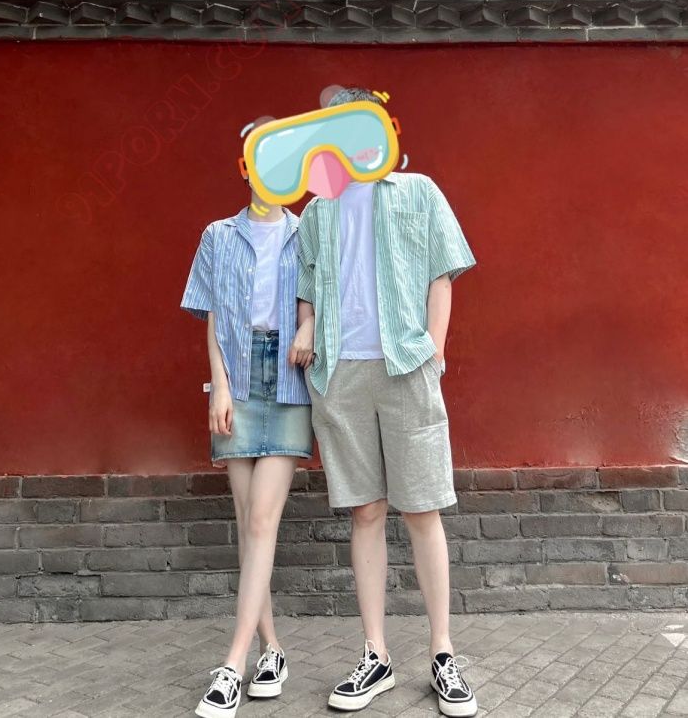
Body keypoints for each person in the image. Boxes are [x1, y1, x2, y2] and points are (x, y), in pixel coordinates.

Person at [292, 86, 478, 717]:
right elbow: (307, 284)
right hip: (341, 372)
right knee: (366, 513)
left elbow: (442, 274)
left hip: (406, 366)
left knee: (422, 509)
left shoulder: (418, 191)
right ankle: (375, 654)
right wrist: (306, 325)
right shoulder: (318, 209)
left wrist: (434, 353)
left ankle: (443, 652)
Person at [180, 126, 315, 718]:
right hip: (236, 378)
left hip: (287, 379)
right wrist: (219, 386)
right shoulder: (218, 235)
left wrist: (308, 324)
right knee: (246, 523)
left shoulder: (307, 232)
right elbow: (213, 316)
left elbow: (322, 297)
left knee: (262, 520)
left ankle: (232, 665)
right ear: (245, 167)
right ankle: (272, 649)